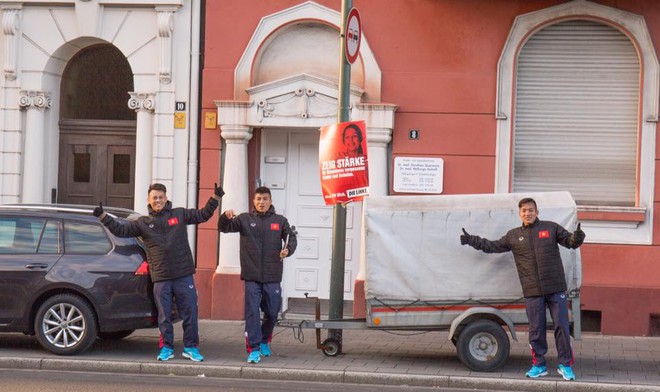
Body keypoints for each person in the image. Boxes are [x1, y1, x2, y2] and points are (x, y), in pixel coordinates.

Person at [93, 182, 224, 362]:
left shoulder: (179, 214)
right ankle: (166, 348)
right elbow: (121, 230)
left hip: (183, 273)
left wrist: (215, 198)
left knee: (190, 312)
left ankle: (191, 347)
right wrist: (103, 217)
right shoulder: (143, 223)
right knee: (164, 316)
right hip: (161, 277)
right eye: (154, 197)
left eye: (161, 197)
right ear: (149, 200)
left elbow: (202, 215)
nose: (158, 200)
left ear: (166, 198)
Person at [460, 197, 585, 381]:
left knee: (561, 327)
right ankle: (539, 365)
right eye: (524, 210)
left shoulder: (551, 228)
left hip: (555, 287)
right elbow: (492, 246)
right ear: (520, 214)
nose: (528, 213)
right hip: (532, 290)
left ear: (537, 212)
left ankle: (565, 365)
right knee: (536, 329)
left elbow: (569, 242)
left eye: (531, 210)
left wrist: (577, 238)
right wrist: (472, 240)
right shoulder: (513, 235)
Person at [217, 186, 297, 364]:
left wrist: (288, 250)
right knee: (252, 312)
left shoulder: (280, 220)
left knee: (273, 311)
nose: (262, 202)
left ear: (270, 201)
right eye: (258, 199)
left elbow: (291, 237)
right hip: (252, 276)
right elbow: (223, 228)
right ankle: (253, 348)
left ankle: (264, 339)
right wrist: (225, 217)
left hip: (273, 275)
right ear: (254, 201)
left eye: (265, 199)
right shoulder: (245, 219)